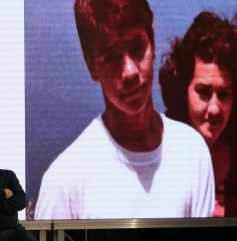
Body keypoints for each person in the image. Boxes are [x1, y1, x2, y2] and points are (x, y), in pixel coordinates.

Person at [35, 0, 214, 219]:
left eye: (137, 48)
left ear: (153, 42)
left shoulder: (193, 153)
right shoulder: (64, 181)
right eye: (111, 57)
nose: (129, 72)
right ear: (91, 65)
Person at [159, 10, 237, 217]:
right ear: (182, 89)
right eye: (203, 92)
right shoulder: (160, 146)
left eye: (224, 94)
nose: (215, 109)